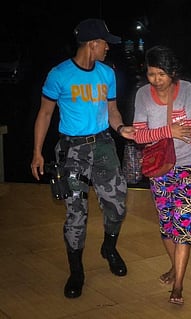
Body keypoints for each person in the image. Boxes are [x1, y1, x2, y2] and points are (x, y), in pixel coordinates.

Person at [30, 18, 136, 299]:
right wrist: (37, 152)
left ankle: (109, 249)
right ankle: (76, 271)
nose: (107, 49)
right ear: (93, 44)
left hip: (103, 144)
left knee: (117, 204)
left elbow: (112, 110)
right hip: (71, 150)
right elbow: (45, 114)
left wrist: (122, 128)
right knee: (76, 213)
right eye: (105, 44)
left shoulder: (107, 74)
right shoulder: (59, 74)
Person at [132, 45, 191, 305]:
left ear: (172, 73)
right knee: (167, 226)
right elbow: (139, 135)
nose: (156, 80)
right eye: (152, 74)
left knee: (184, 226)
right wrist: (168, 131)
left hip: (187, 167)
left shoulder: (186, 89)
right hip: (160, 169)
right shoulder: (143, 95)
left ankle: (178, 285)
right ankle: (175, 266)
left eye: (161, 74)